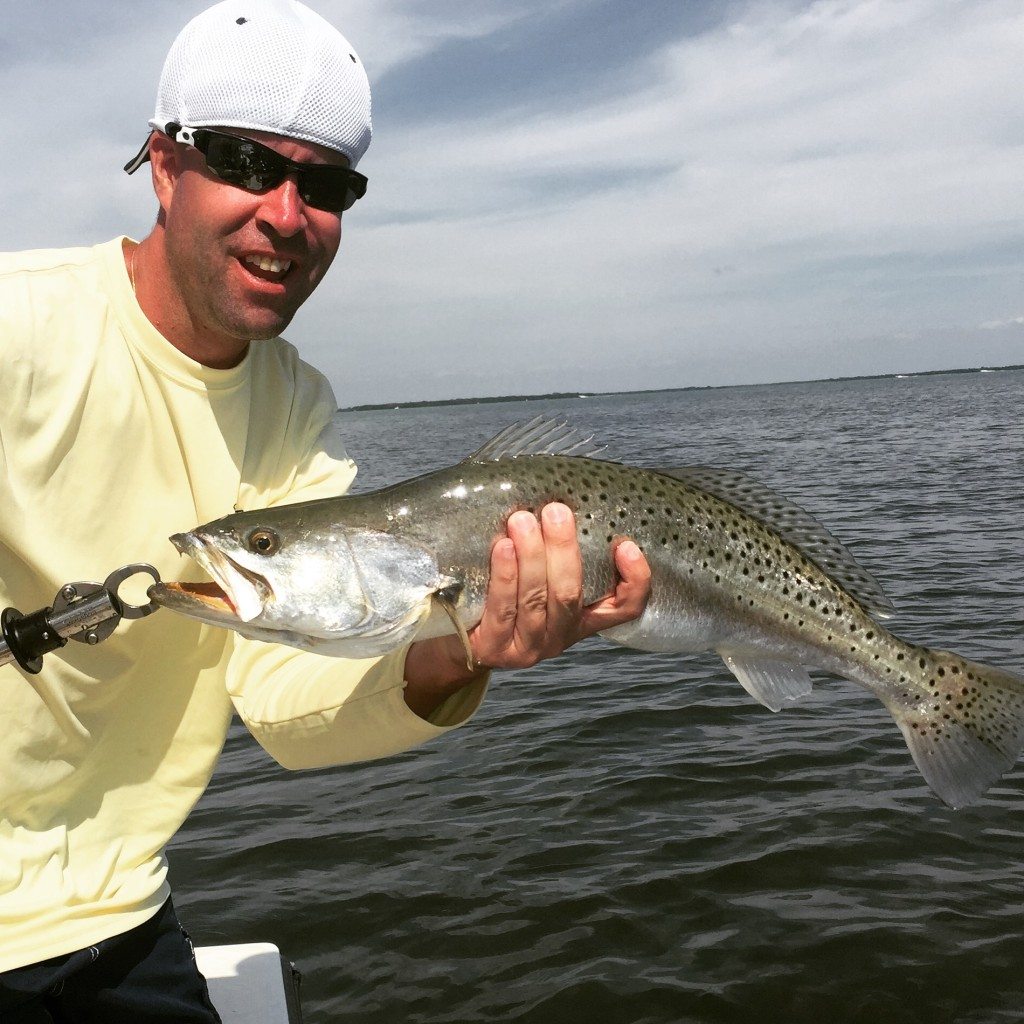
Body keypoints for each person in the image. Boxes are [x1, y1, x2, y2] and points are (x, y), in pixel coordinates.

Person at [0, 1, 651, 1020]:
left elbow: (287, 704)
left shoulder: (294, 409)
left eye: (327, 183)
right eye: (245, 163)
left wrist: (461, 651)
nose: (287, 212)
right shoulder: (18, 326)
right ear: (163, 167)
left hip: (114, 916)